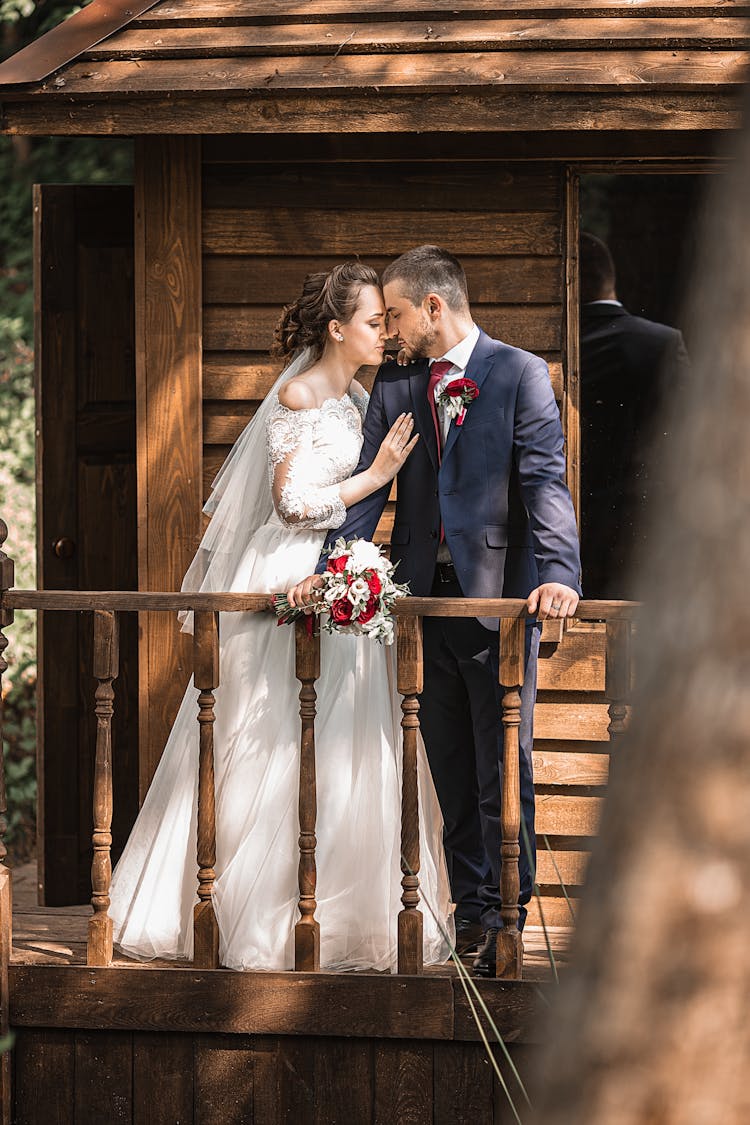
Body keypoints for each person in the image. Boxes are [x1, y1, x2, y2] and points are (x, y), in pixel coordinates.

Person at [108, 262, 454, 971]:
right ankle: (251, 913)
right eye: (371, 321)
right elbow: (293, 501)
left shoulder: (361, 394)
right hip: (286, 572)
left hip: (338, 572)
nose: (383, 332)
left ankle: (350, 913)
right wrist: (376, 476)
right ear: (336, 328)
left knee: (343, 737)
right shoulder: (299, 393)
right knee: (264, 733)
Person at [288, 246, 581, 976]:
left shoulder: (519, 375)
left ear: (434, 307)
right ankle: (474, 915)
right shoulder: (398, 382)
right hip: (422, 608)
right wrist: (333, 570)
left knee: (501, 769)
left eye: (393, 315)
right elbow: (370, 490)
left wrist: (560, 575)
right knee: (449, 769)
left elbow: (546, 482)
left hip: (500, 610)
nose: (387, 330)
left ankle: (511, 912)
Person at [580, 231, 690, 598]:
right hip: (649, 517)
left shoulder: (562, 346)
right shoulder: (661, 343)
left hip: (574, 518)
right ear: (610, 278)